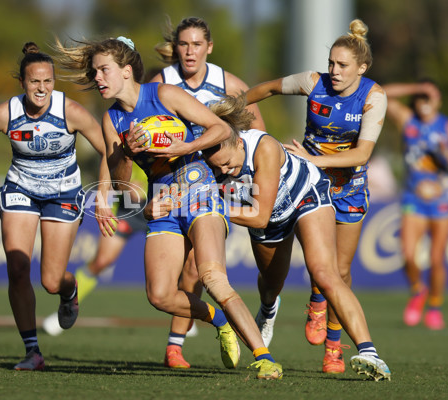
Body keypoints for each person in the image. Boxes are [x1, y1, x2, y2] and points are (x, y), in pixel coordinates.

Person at [54, 35, 283, 380]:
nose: (97, 78)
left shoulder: (164, 95)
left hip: (202, 192)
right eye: (95, 72)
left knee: (212, 278)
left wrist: (185, 143)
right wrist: (126, 154)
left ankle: (264, 357)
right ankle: (218, 321)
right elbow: (120, 180)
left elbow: (219, 128)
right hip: (163, 205)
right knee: (159, 295)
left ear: (127, 71)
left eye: (103, 70)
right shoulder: (111, 120)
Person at [0, 42, 114, 371]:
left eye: (47, 81)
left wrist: (104, 194)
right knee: (17, 269)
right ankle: (32, 351)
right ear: (22, 82)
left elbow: (109, 149)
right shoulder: (3, 114)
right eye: (34, 81)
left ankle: (69, 290)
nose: (42, 88)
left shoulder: (70, 112)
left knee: (51, 280)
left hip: (63, 191)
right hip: (21, 189)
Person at [197, 93, 391, 381]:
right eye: (218, 168)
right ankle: (268, 308)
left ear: (238, 142)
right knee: (271, 283)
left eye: (227, 163)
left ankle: (370, 352)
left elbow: (258, 215)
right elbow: (259, 216)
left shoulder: (263, 146)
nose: (224, 171)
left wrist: (212, 205)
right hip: (265, 215)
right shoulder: (210, 163)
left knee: (326, 273)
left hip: (305, 196)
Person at [246, 19, 387, 374]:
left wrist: (314, 158)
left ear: (362, 68)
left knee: (339, 271)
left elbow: (361, 155)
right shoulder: (313, 83)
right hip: (308, 183)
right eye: (331, 64)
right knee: (313, 269)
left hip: (349, 188)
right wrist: (229, 107)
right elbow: (268, 89)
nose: (334, 72)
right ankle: (311, 300)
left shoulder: (374, 97)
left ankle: (334, 346)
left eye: (343, 66)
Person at [148, 16, 273, 369]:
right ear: (176, 48)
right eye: (183, 45)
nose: (190, 52)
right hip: (172, 183)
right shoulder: (162, 83)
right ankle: (191, 337)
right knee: (174, 277)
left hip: (220, 180)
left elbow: (255, 132)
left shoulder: (227, 83)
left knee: (196, 267)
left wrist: (237, 174)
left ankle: (175, 346)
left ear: (209, 47)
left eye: (197, 44)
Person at [382, 80, 448, 330]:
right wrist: (417, 87)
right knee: (408, 254)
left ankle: (435, 305)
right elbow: (383, 94)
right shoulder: (409, 121)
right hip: (413, 198)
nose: (425, 103)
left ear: (439, 101)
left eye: (430, 98)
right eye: (421, 98)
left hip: (443, 200)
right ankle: (418, 290)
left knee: (436, 258)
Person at [42, 163, 150, 336]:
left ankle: (183, 319)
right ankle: (66, 308)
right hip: (127, 206)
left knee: (179, 264)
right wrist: (123, 185)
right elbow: (112, 160)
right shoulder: (125, 136)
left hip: (161, 202)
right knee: (101, 261)